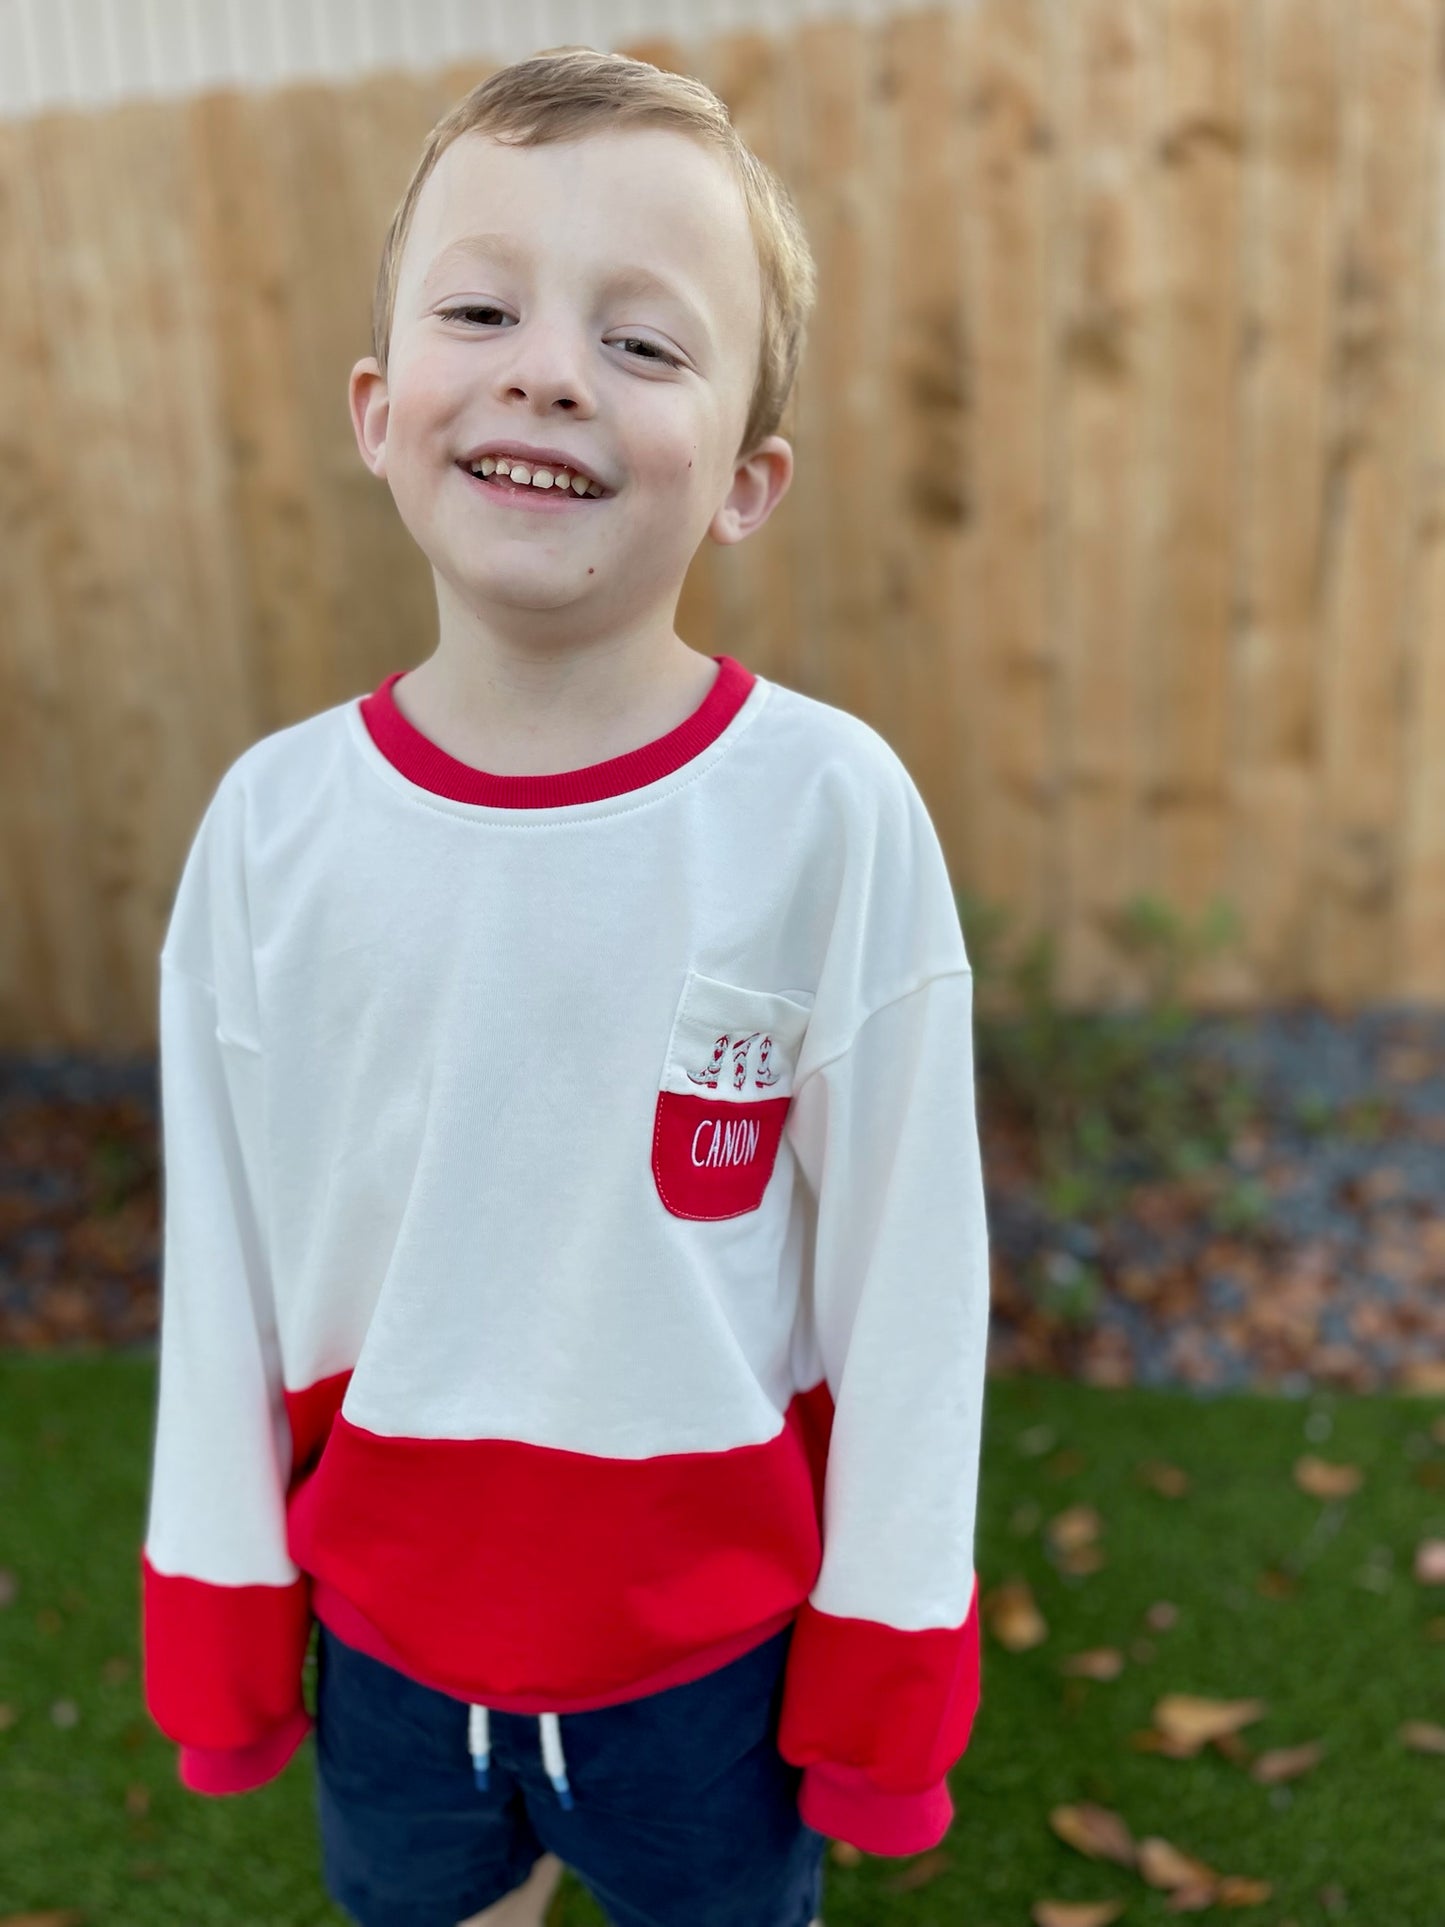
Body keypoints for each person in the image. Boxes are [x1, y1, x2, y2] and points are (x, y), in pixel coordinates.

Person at [138, 43, 991, 1927]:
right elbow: (226, 1259)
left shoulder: (825, 815)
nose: (545, 367)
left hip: (719, 1676)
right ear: (377, 407)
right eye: (481, 306)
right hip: (382, 1651)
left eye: (645, 340)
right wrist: (217, 1611)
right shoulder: (270, 830)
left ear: (750, 478)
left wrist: (886, 1669)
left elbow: (912, 1280)